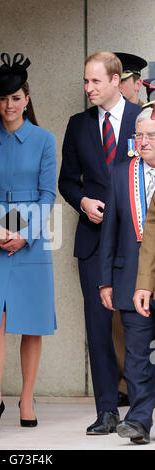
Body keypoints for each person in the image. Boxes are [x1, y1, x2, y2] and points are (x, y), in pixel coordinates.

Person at [0, 52, 57, 428]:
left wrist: (24, 234)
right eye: (3, 99)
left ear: (27, 98)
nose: (10, 105)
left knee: (32, 322)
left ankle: (25, 400)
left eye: (16, 98)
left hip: (33, 239)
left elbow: (47, 194)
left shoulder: (45, 139)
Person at [58, 51, 141, 435]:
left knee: (141, 326)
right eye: (85, 81)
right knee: (98, 328)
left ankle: (141, 412)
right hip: (92, 240)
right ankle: (107, 411)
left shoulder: (144, 120)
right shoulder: (78, 125)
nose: (88, 88)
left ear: (114, 80)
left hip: (138, 240)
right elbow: (66, 180)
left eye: (95, 81)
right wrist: (82, 201)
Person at [99, 107, 155, 444]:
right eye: (140, 135)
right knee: (134, 358)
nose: (144, 141)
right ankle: (138, 421)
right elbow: (110, 230)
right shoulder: (121, 173)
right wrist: (105, 279)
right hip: (131, 280)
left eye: (151, 135)